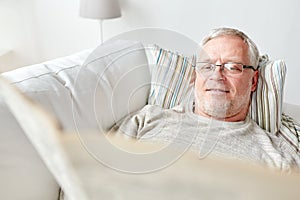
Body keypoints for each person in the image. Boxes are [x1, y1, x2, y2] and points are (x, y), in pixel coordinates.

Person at [111, 27, 300, 171]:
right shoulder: (146, 119)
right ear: (195, 76)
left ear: (254, 81)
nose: (216, 75)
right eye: (207, 66)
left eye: (232, 67)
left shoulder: (278, 156)